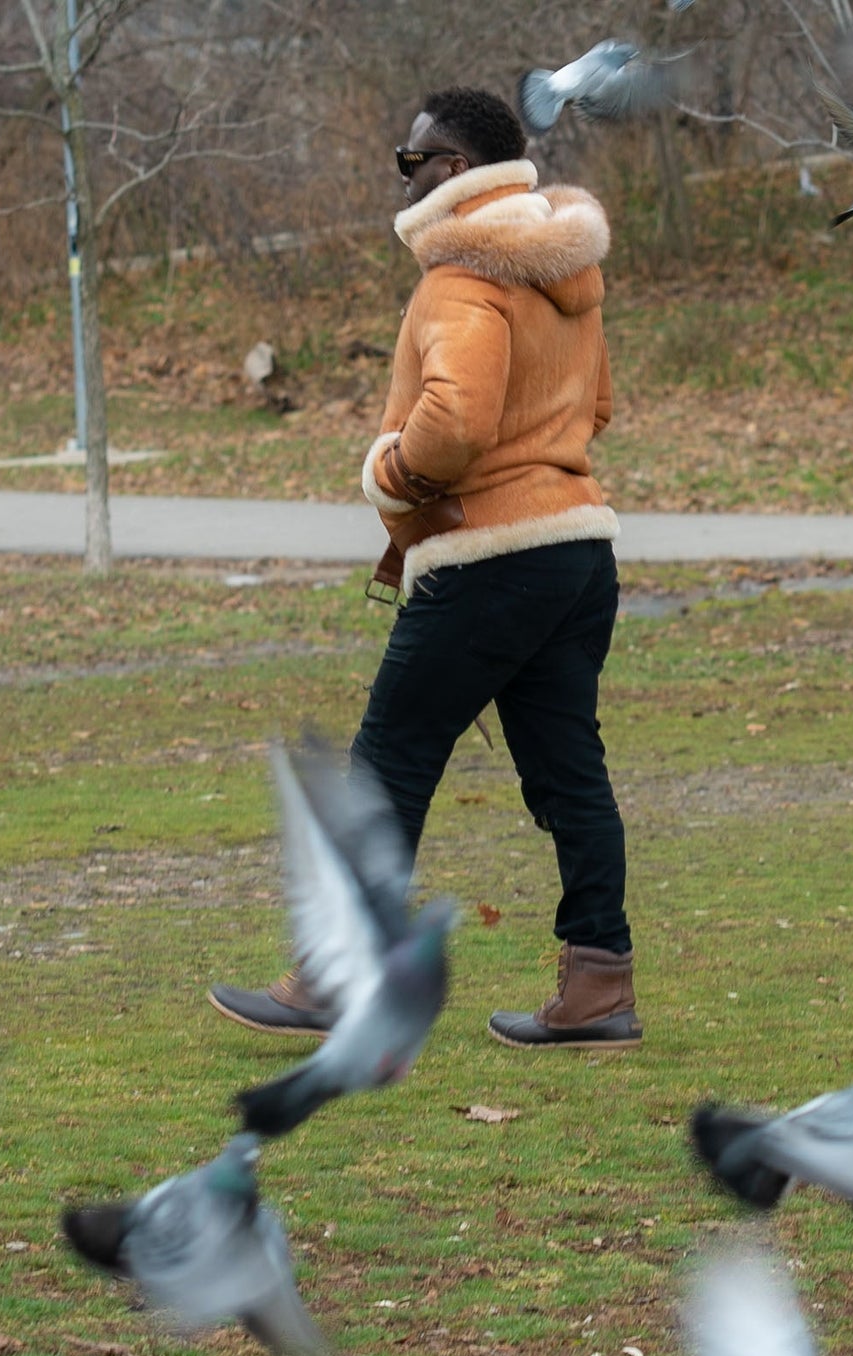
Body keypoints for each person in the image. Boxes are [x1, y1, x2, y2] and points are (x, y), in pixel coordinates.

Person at [209, 86, 640, 1049]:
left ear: (452, 168)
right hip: (577, 547)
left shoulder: (459, 278)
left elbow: (454, 423)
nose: (402, 175)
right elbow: (597, 408)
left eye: (413, 161)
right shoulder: (570, 272)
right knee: (570, 772)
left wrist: (390, 471)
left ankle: (336, 975)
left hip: (485, 556)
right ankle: (598, 984)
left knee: (388, 766)